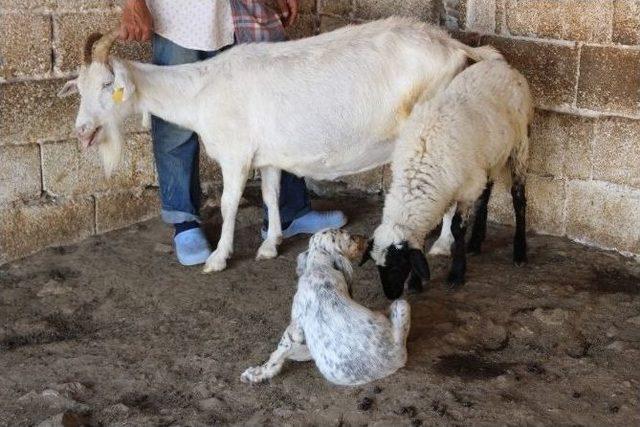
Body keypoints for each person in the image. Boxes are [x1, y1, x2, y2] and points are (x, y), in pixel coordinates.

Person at [119, 0, 346, 266]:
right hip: (180, 15)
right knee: (175, 115)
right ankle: (185, 222)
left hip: (243, 10)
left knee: (274, 101)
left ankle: (289, 211)